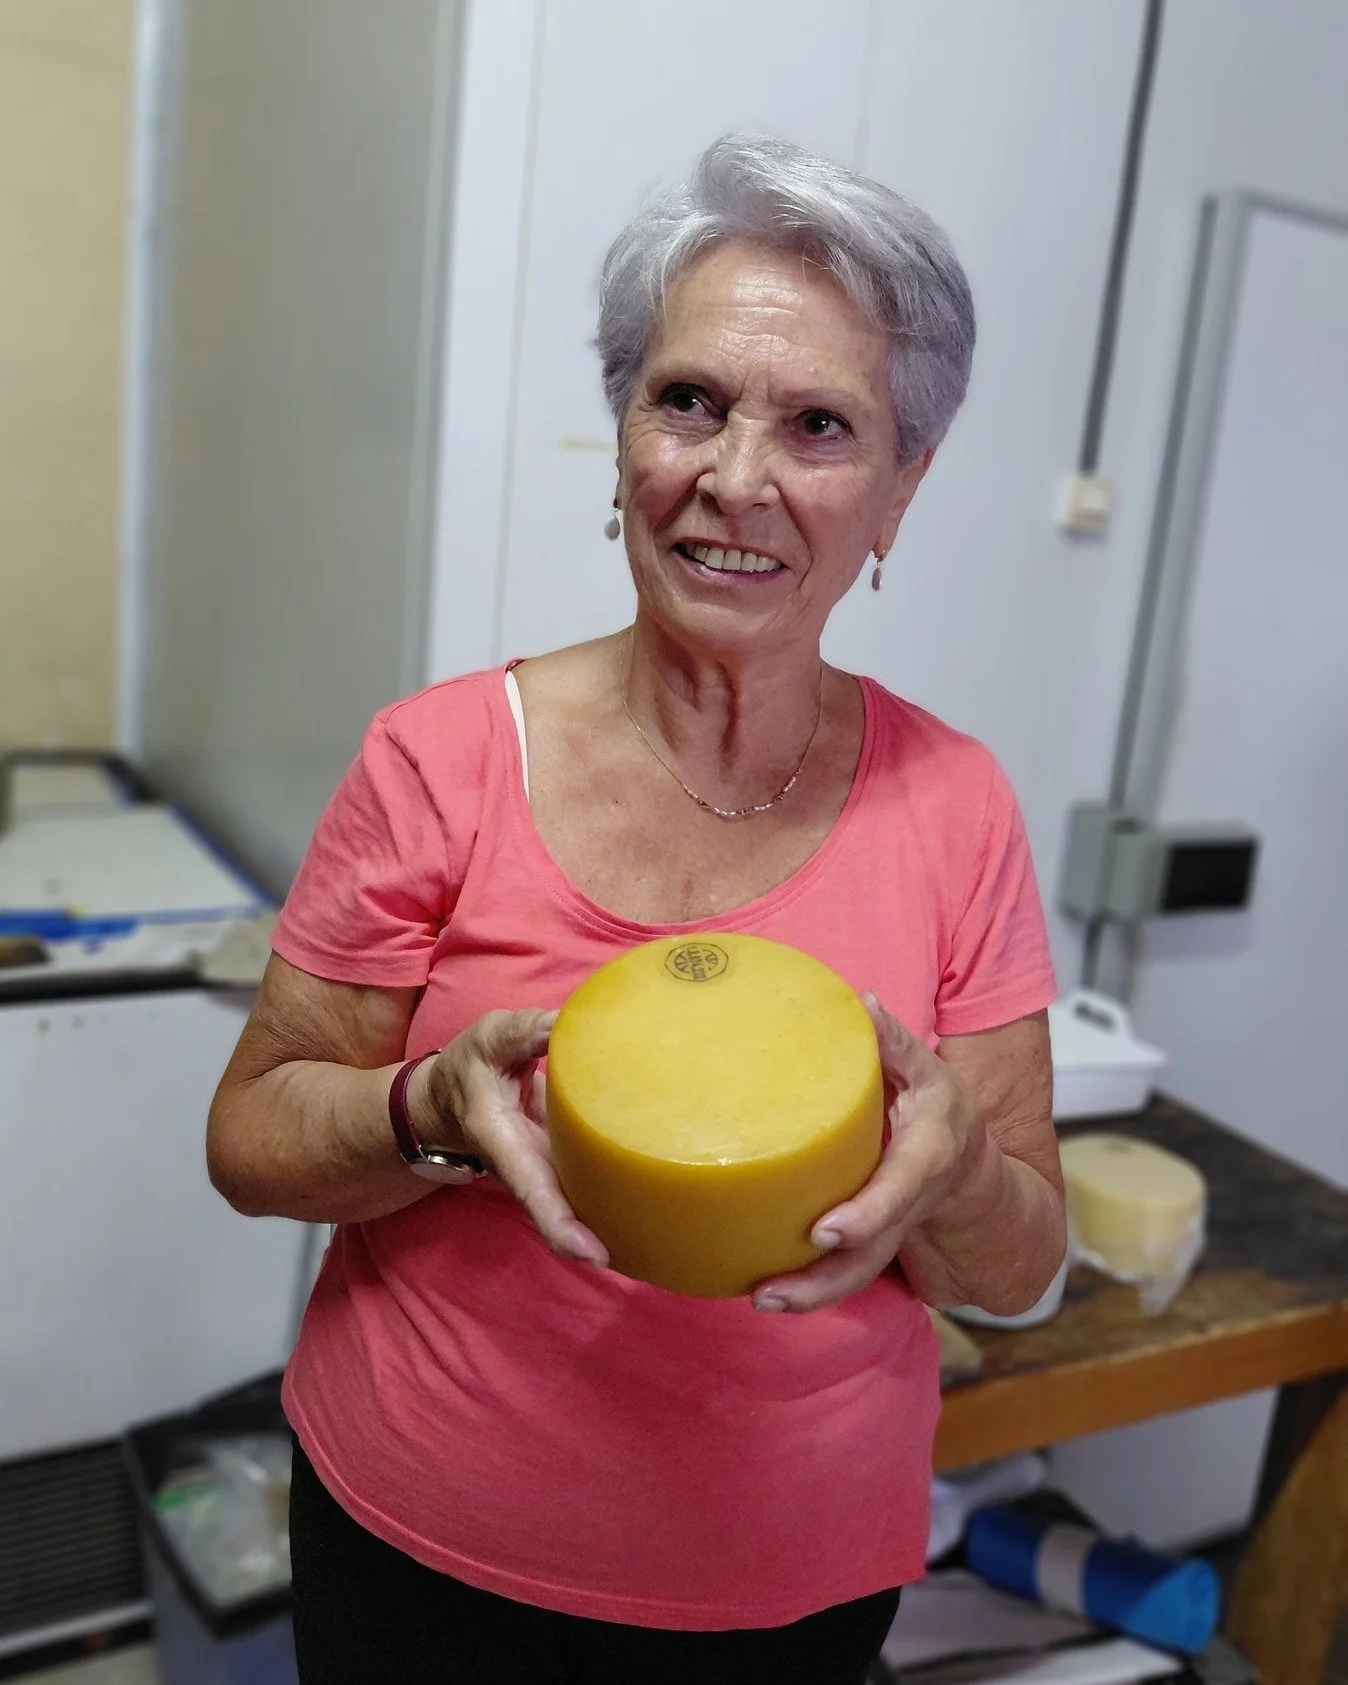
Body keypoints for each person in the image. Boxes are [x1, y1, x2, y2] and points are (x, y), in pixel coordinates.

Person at [208, 132, 1066, 1685]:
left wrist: (949, 1168)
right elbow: (251, 1138)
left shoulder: (959, 806)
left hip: (793, 1590)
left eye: (819, 425)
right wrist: (426, 1111)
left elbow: (1019, 1270)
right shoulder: (441, 758)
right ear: (623, 432)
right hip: (422, 1556)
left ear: (901, 486)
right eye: (689, 400)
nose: (734, 479)